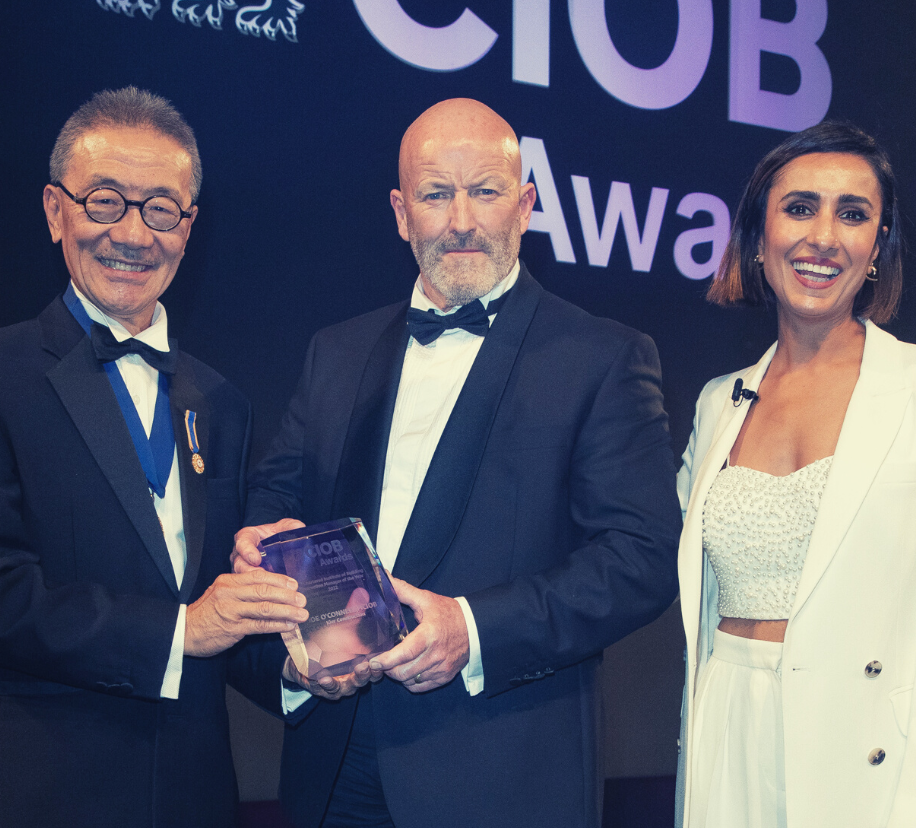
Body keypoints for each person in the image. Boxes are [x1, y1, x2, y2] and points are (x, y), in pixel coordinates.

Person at [231, 98, 682, 828]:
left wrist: (474, 630)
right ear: (402, 212)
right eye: (436, 193)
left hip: (500, 775)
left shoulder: (603, 357)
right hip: (332, 764)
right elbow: (275, 496)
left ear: (527, 204)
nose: (462, 219)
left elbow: (642, 559)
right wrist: (263, 541)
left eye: (487, 190)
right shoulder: (334, 353)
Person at [0, 87, 315, 828]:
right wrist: (181, 632)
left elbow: (216, 611)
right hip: (31, 794)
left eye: (161, 209)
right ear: (55, 210)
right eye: (105, 202)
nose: (133, 232)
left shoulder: (221, 404)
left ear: (188, 230)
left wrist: (301, 665)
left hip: (192, 798)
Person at [675, 121, 916, 827]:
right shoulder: (717, 403)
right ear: (757, 239)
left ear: (877, 248)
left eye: (853, 214)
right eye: (799, 208)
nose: (823, 236)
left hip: (873, 756)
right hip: (730, 728)